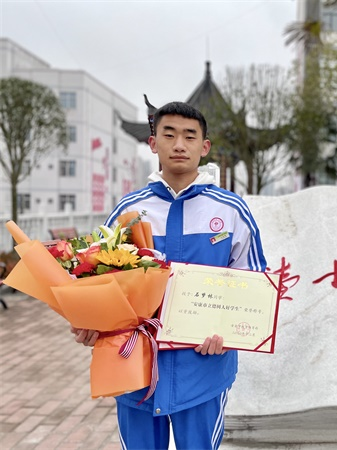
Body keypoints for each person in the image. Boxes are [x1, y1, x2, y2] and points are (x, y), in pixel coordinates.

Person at [72, 101, 267, 449]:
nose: (179, 144)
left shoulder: (231, 210)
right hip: (133, 365)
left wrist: (229, 331)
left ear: (204, 147)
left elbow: (253, 284)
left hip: (203, 367)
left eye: (190, 136)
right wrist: (90, 322)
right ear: (153, 143)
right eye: (169, 135)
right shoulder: (129, 210)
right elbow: (99, 278)